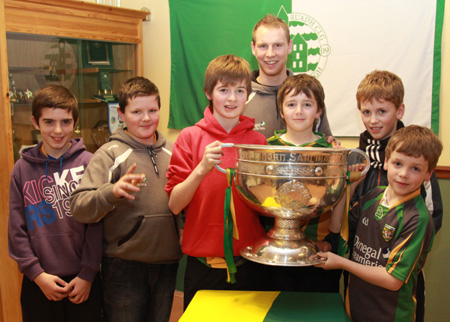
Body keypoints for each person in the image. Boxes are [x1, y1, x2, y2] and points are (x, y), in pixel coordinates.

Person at [70, 77, 182, 322]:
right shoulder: (110, 154)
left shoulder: (174, 152)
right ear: (121, 114)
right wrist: (111, 192)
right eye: (137, 111)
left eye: (152, 110)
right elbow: (79, 207)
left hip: (167, 263)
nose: (146, 118)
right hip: (123, 266)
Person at [165, 55, 268, 310]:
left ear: (248, 96)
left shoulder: (258, 142)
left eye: (239, 90)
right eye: (223, 90)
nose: (232, 98)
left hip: (250, 263)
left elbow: (268, 204)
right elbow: (175, 205)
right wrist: (201, 168)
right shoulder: (189, 137)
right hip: (202, 266)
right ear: (209, 93)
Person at [315, 125, 443, 322]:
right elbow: (336, 226)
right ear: (386, 162)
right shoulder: (374, 196)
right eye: (398, 164)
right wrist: (350, 185)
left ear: (428, 174)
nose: (403, 174)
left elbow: (393, 280)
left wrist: (341, 263)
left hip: (389, 315)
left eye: (415, 168)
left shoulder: (417, 219)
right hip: (356, 308)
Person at [346, 70, 443, 321]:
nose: (373, 121)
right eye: (366, 112)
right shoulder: (356, 158)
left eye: (382, 112)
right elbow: (348, 218)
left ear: (399, 111)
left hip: (398, 274)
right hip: (359, 273)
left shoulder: (419, 154)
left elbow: (432, 217)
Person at [8, 85, 102, 322]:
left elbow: (97, 225)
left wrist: (88, 275)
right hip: (39, 282)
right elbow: (17, 230)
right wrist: (37, 275)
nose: (58, 130)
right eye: (49, 122)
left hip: (83, 280)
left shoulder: (90, 163)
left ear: (75, 122)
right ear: (35, 122)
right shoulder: (21, 168)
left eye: (66, 122)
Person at [263, 74, 341, 293]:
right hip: (276, 249)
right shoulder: (266, 148)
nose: (298, 111)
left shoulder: (330, 152)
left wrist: (330, 241)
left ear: (318, 111)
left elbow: (336, 199)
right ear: (281, 110)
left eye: (307, 105)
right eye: (291, 104)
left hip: (318, 250)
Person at [244, 14, 332, 138]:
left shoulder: (308, 93)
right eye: (263, 46)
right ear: (253, 48)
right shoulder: (241, 96)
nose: (270, 54)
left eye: (277, 45)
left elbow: (324, 143)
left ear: (289, 46)